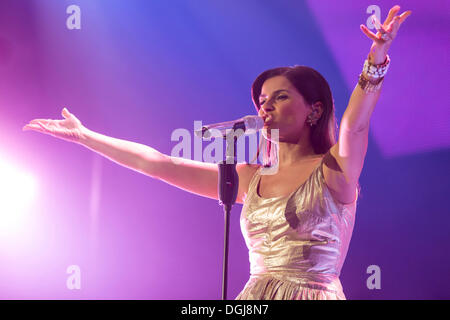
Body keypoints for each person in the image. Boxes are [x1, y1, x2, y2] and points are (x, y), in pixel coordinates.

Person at [23, 6, 411, 300]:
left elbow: (354, 126)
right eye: (261, 100)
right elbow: (161, 164)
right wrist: (86, 136)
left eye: (280, 97)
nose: (266, 107)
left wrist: (375, 60)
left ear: (314, 109)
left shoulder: (333, 172)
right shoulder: (246, 177)